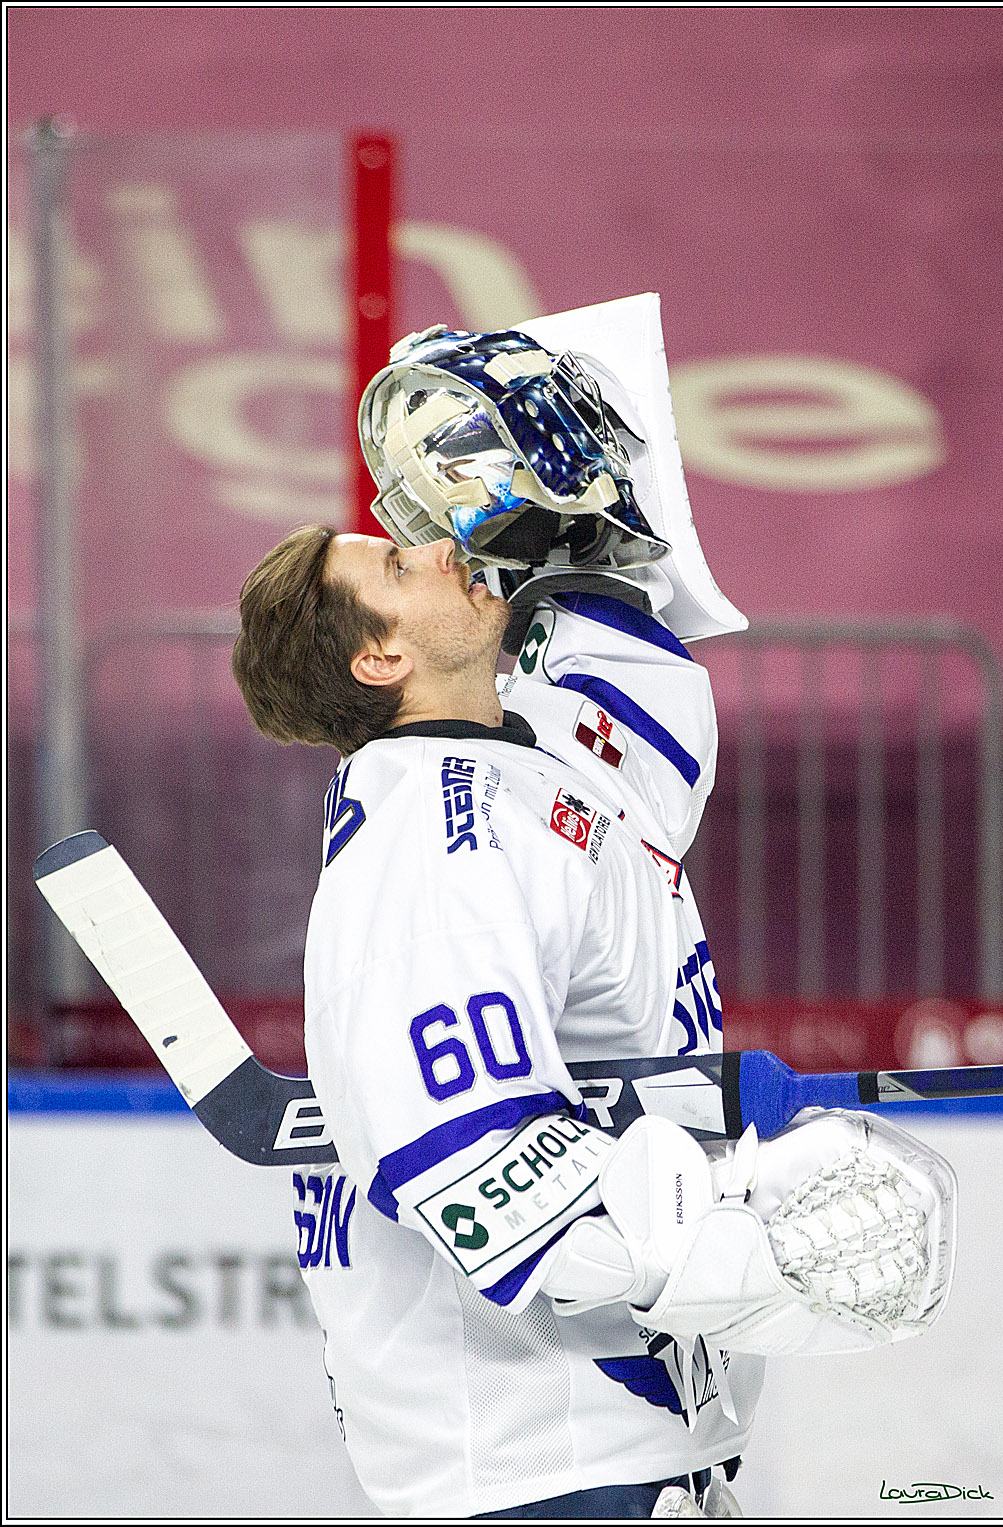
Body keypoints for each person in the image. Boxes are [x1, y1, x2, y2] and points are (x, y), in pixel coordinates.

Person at [230, 324, 955, 1520]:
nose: (437, 546)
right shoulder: (432, 844)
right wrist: (735, 1250)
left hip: (634, 1450)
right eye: (399, 564)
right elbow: (462, 1143)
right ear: (382, 657)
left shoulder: (534, 757)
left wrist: (575, 506)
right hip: (542, 1467)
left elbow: (637, 700)